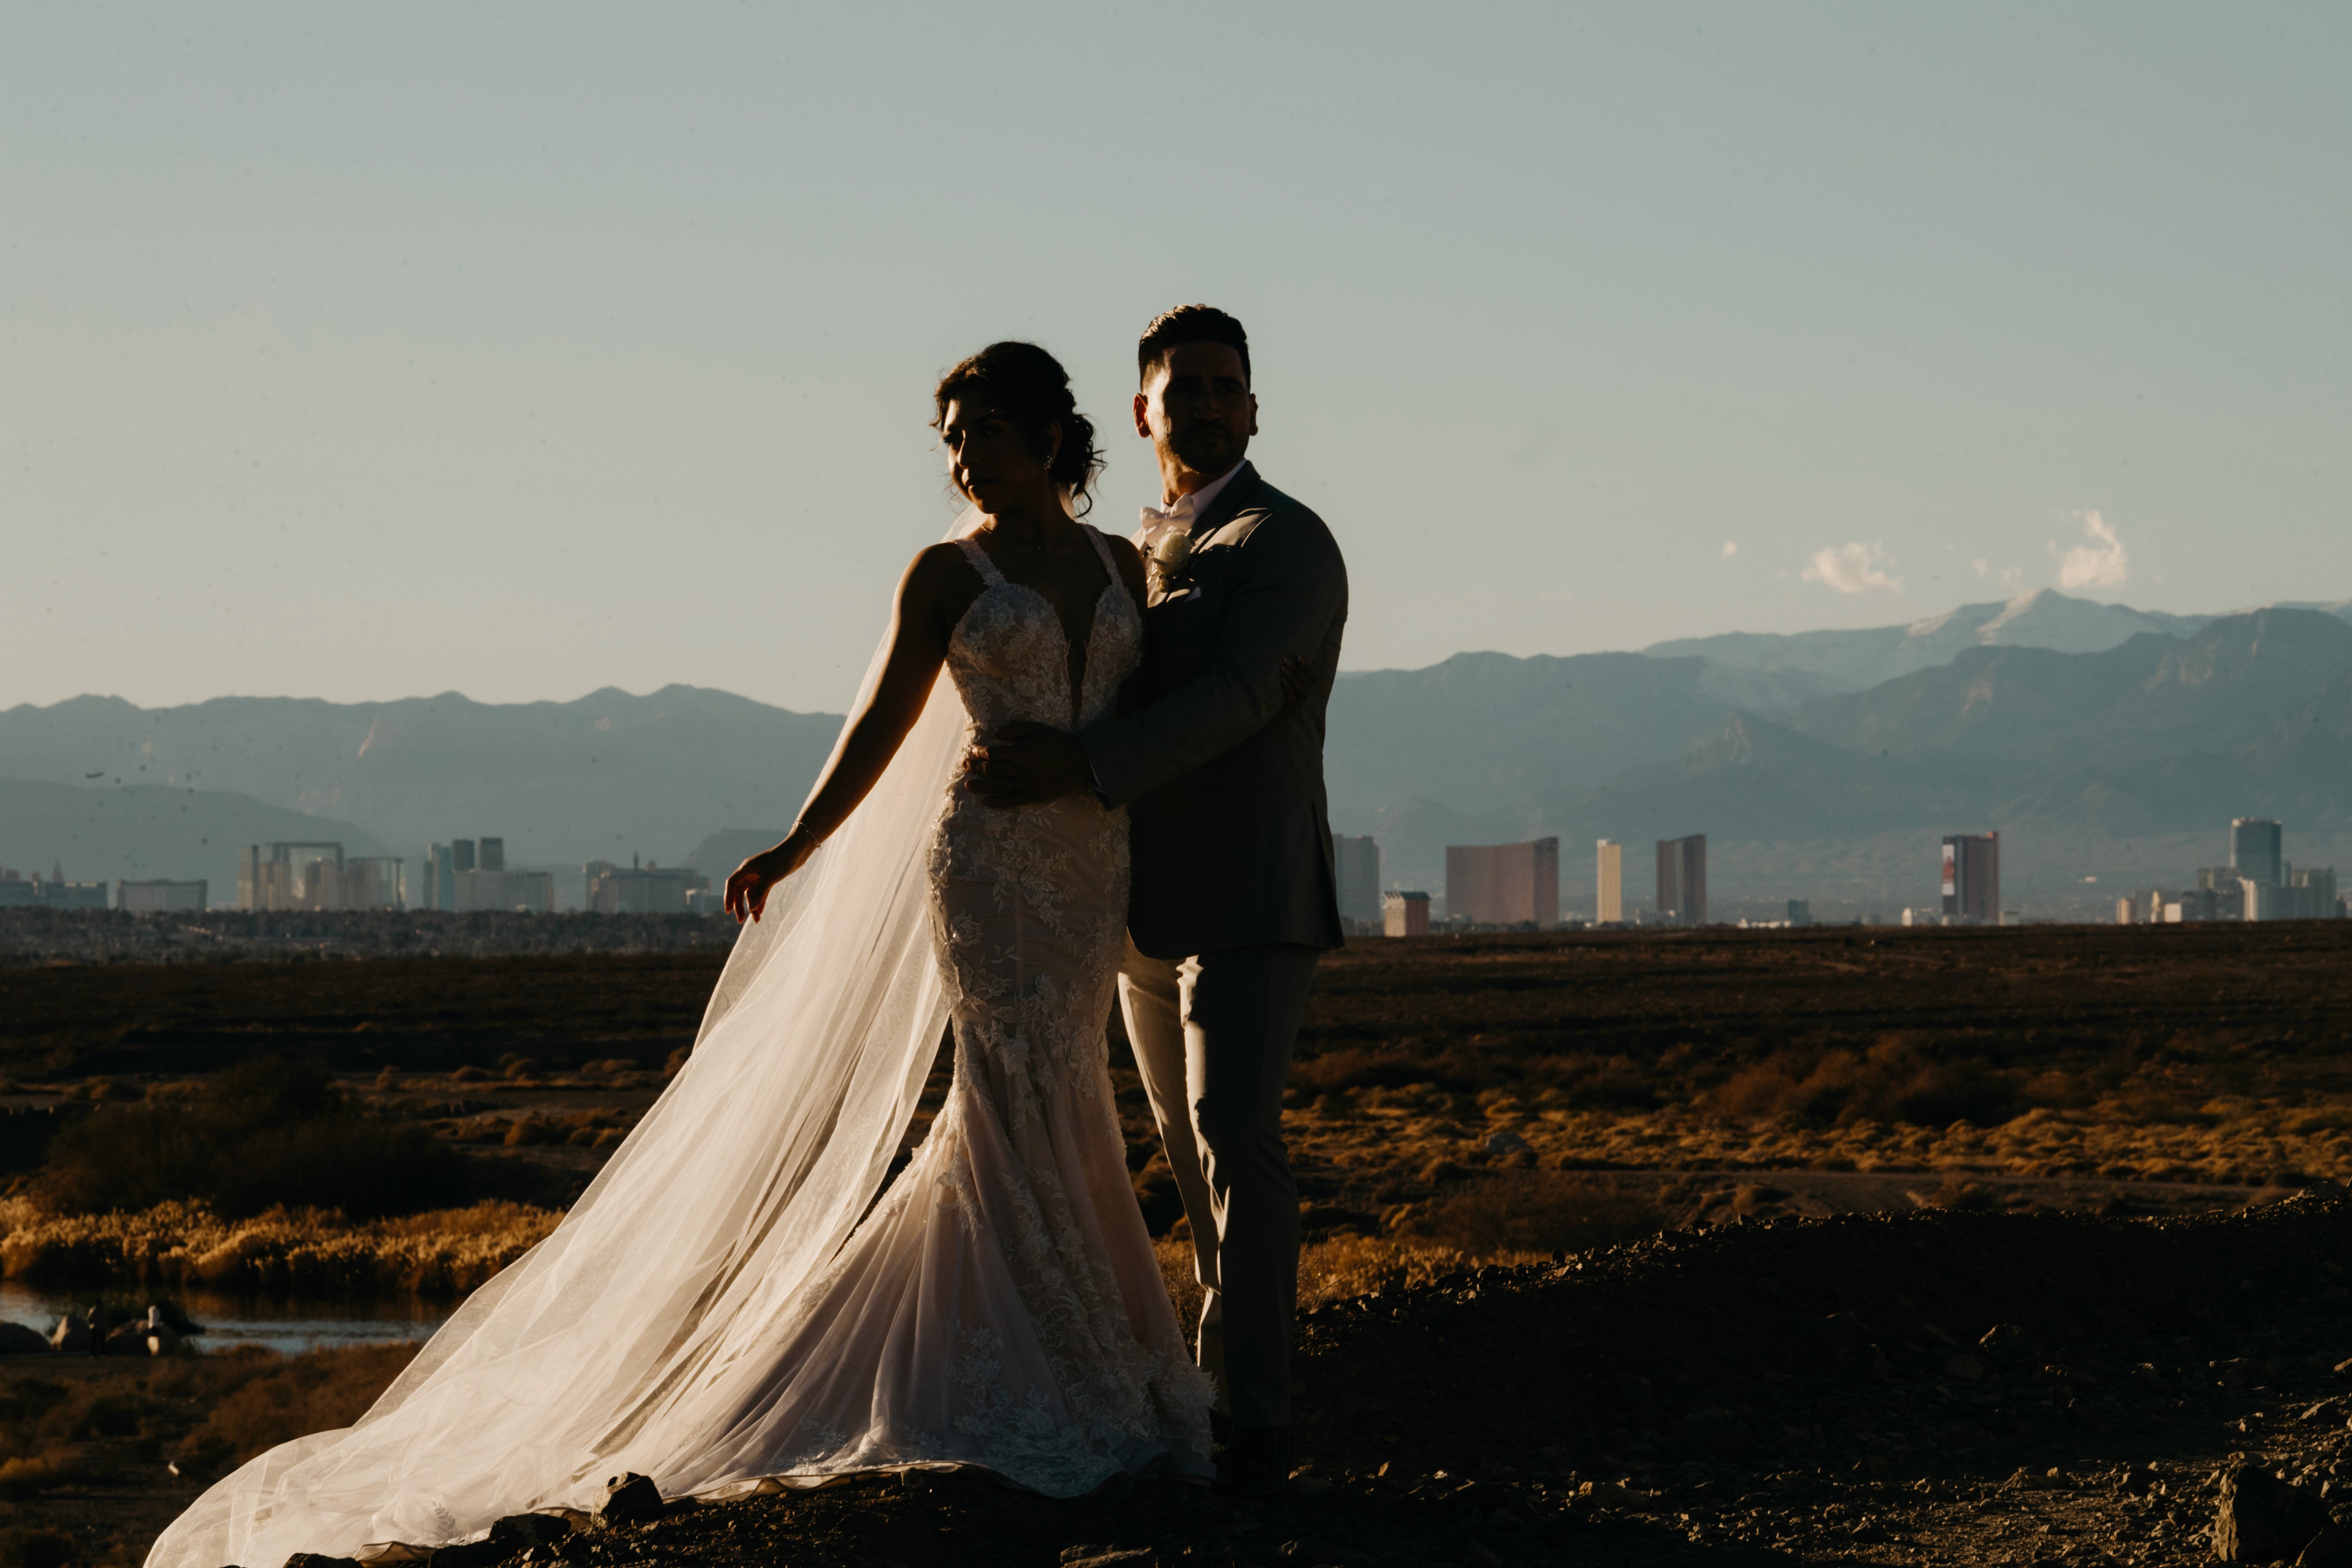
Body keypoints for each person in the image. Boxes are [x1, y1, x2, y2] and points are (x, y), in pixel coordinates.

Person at [145, 342, 1213, 1568]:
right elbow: (885, 723)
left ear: (1045, 432)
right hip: (989, 869)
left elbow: (1150, 715)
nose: (962, 455)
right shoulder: (944, 575)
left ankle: (1084, 1352)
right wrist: (797, 841)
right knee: (1008, 1091)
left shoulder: (1122, 563)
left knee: (1069, 1086)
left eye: (979, 429)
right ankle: (1047, 1363)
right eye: (950, 436)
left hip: (1089, 871)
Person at [968, 305, 1349, 1495]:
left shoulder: (1289, 543)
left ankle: (1261, 1424)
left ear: (1253, 405)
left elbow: (1242, 694)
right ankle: (1200, 1397)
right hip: (1135, 905)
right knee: (1183, 1161)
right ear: (1141, 412)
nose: (1200, 404)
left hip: (1248, 892)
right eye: (1178, 387)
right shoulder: (1132, 552)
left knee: (1240, 1143)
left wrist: (1083, 768)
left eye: (1222, 385)